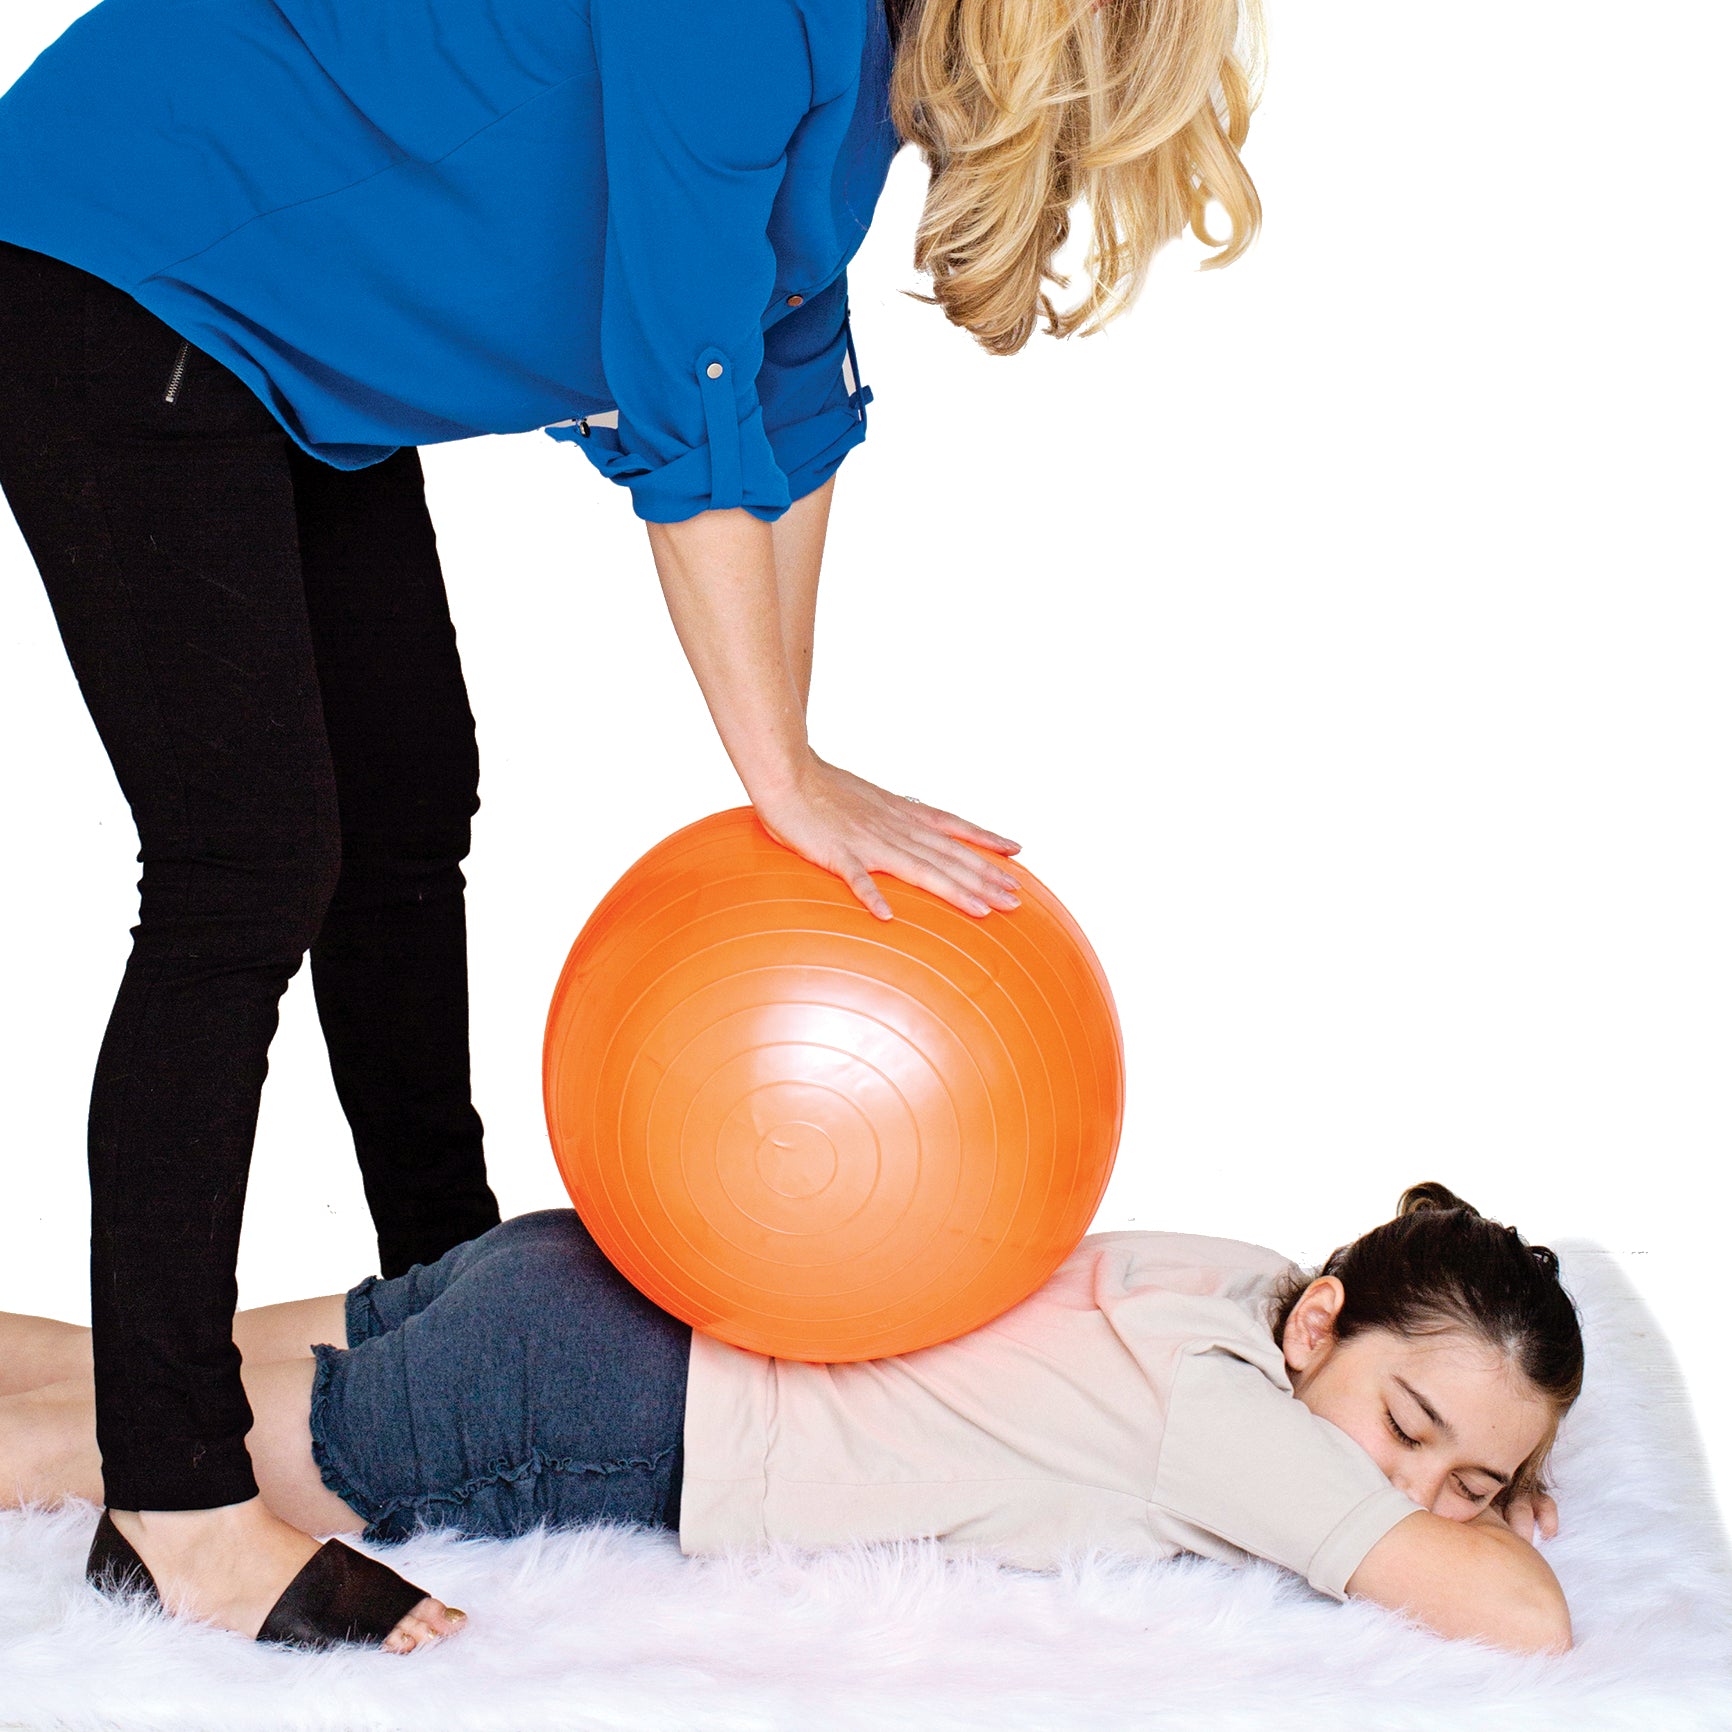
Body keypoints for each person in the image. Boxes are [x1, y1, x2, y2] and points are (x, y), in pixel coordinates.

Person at [0, 0, 1265, 1650]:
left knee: (404, 810)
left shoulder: (861, 61)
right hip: (124, 248)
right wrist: (782, 774)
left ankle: (440, 1292)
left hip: (286, 336)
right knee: (246, 866)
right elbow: (685, 385)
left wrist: (793, 763)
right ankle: (172, 1502)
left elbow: (783, 386)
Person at [0, 1182, 1583, 1656]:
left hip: (604, 1271)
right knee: (128, 1452)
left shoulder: (1230, 1279)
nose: (1413, 1489)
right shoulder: (1235, 1432)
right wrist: (1482, 1523)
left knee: (140, 1363)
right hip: (608, 1401)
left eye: (1471, 1477)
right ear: (1321, 1326)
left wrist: (1464, 1472)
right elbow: (1524, 1621)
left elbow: (1417, 1477)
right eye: (1407, 1427)